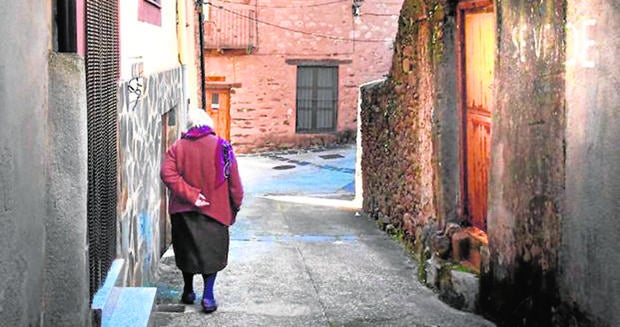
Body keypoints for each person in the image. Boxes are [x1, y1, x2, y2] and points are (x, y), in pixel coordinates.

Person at [160, 108, 243, 313]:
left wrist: (190, 195)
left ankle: (188, 291)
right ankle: (208, 296)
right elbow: (236, 186)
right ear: (209, 126)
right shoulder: (223, 147)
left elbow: (166, 173)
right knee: (211, 255)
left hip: (183, 213)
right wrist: (235, 206)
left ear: (189, 125)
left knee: (186, 252)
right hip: (215, 213)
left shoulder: (177, 148)